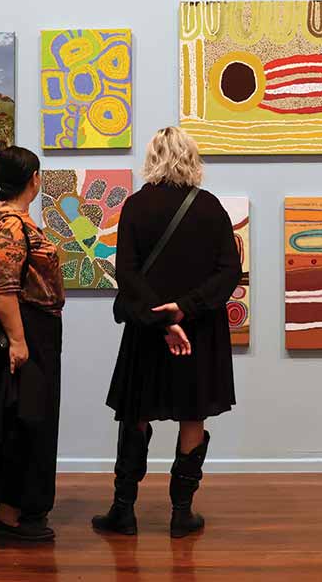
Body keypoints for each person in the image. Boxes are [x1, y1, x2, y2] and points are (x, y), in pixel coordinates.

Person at [93, 127, 241, 538]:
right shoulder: (211, 208)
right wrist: (185, 309)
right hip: (200, 332)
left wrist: (162, 318)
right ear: (192, 159)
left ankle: (123, 511)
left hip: (147, 329)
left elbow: (126, 273)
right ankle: (181, 514)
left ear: (153, 158)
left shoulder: (137, 206)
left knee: (136, 413)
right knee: (192, 414)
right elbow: (229, 271)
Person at [0, 147, 65, 542]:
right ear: (33, 178)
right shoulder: (10, 225)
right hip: (24, 330)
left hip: (30, 329)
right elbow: (4, 290)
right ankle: (9, 514)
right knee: (23, 421)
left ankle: (13, 507)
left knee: (18, 417)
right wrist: (19, 343)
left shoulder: (7, 219)